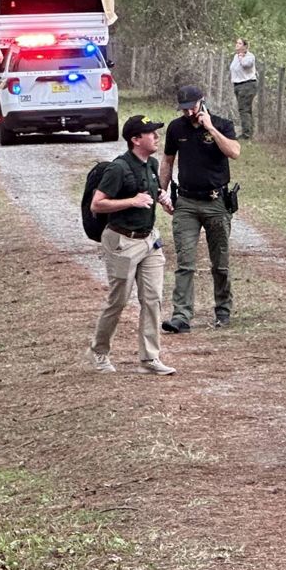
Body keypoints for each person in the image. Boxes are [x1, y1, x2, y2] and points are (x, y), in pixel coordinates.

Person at [88, 115, 177, 376]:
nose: (156, 137)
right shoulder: (118, 168)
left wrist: (163, 199)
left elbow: (150, 191)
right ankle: (99, 352)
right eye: (151, 134)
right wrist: (131, 201)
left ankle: (149, 359)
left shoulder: (151, 164)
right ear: (135, 140)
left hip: (149, 240)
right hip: (122, 241)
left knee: (153, 300)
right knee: (118, 301)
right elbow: (97, 204)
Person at [159, 86, 242, 333]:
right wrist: (162, 192)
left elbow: (234, 152)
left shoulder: (222, 124)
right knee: (185, 262)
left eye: (192, 107)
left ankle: (223, 310)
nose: (188, 112)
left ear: (201, 102)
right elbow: (167, 160)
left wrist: (211, 129)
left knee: (220, 262)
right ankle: (181, 315)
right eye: (184, 108)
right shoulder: (176, 128)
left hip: (216, 202)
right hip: (186, 202)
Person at [229, 38, 258, 139]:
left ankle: (246, 134)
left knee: (244, 109)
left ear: (245, 46)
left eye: (240, 43)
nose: (237, 45)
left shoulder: (250, 56)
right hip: (238, 85)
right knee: (246, 109)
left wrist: (241, 56)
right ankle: (249, 132)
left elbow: (246, 65)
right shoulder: (235, 57)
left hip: (247, 85)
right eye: (236, 43)